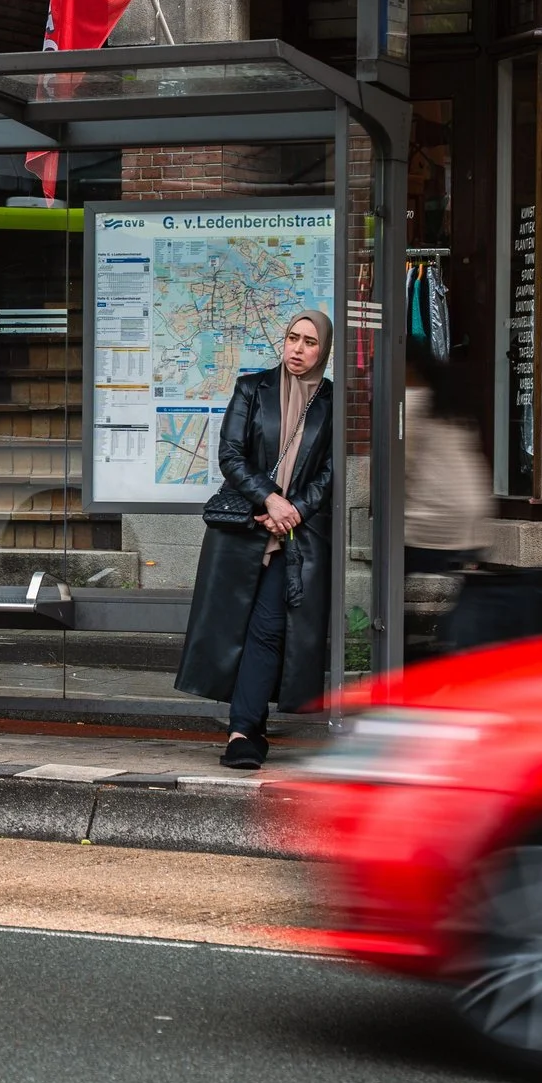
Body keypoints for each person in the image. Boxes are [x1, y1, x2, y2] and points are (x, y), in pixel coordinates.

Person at [174, 311, 335, 769]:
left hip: (294, 536)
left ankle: (242, 731)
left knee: (267, 629)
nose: (298, 349)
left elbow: (331, 471)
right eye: (292, 338)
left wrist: (295, 509)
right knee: (231, 628)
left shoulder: (331, 401)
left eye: (309, 342)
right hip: (244, 528)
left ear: (323, 350)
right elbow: (230, 453)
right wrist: (269, 499)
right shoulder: (251, 388)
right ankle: (250, 725)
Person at [402, 356, 493, 579]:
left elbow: (400, 465)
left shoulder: (410, 402)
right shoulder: (456, 406)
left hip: (431, 523)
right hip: (471, 519)